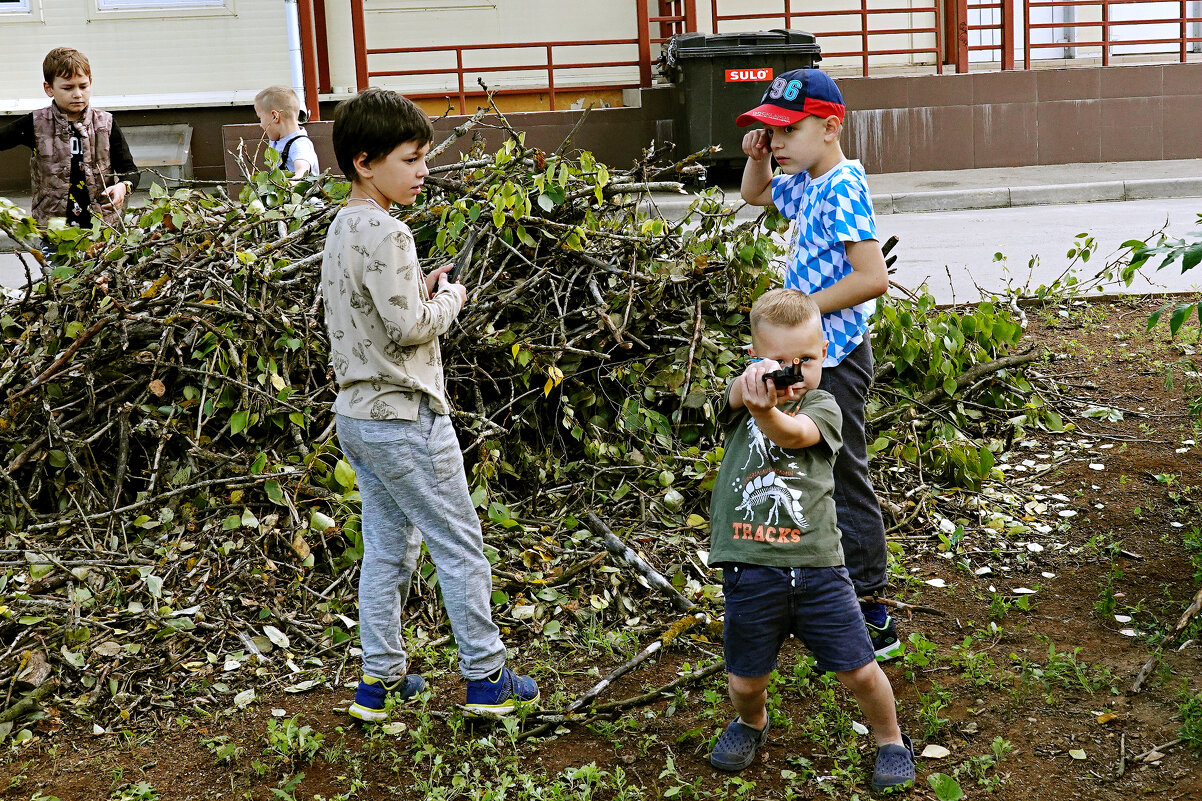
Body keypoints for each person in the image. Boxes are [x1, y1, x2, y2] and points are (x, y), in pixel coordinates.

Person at [323, 87, 537, 722]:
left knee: (388, 547)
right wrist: (450, 301)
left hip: (357, 415)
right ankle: (486, 677)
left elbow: (367, 309)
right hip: (406, 416)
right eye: (412, 159)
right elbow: (409, 327)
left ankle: (378, 683)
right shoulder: (388, 231)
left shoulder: (344, 224)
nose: (423, 171)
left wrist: (417, 290)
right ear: (366, 161)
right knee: (459, 542)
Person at [706, 289, 913, 791]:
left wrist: (765, 411)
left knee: (860, 669)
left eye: (807, 360)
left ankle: (890, 738)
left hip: (819, 566)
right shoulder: (742, 400)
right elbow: (715, 408)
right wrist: (746, 389)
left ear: (825, 352)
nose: (794, 373)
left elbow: (794, 436)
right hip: (750, 564)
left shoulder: (824, 405)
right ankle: (752, 722)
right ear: (755, 358)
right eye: (779, 362)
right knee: (744, 680)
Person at [737, 68, 900, 660]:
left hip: (835, 359)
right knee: (802, 467)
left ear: (830, 127)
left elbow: (872, 277)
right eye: (768, 131)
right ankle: (817, 589)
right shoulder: (806, 180)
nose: (775, 141)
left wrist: (803, 311)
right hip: (805, 356)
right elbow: (757, 193)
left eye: (786, 130)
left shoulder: (842, 188)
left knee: (841, 471)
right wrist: (756, 157)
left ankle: (871, 608)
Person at [0, 47, 140, 228]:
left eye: (83, 86)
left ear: (90, 82)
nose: (77, 94)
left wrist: (123, 187)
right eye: (68, 87)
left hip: (102, 227)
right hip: (52, 229)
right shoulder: (36, 123)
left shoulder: (105, 124)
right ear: (49, 88)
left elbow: (129, 169)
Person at [254, 85, 319, 179]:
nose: (261, 124)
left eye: (260, 118)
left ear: (275, 117)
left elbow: (303, 169)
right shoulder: (277, 141)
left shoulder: (299, 144)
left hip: (301, 193)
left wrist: (294, 182)